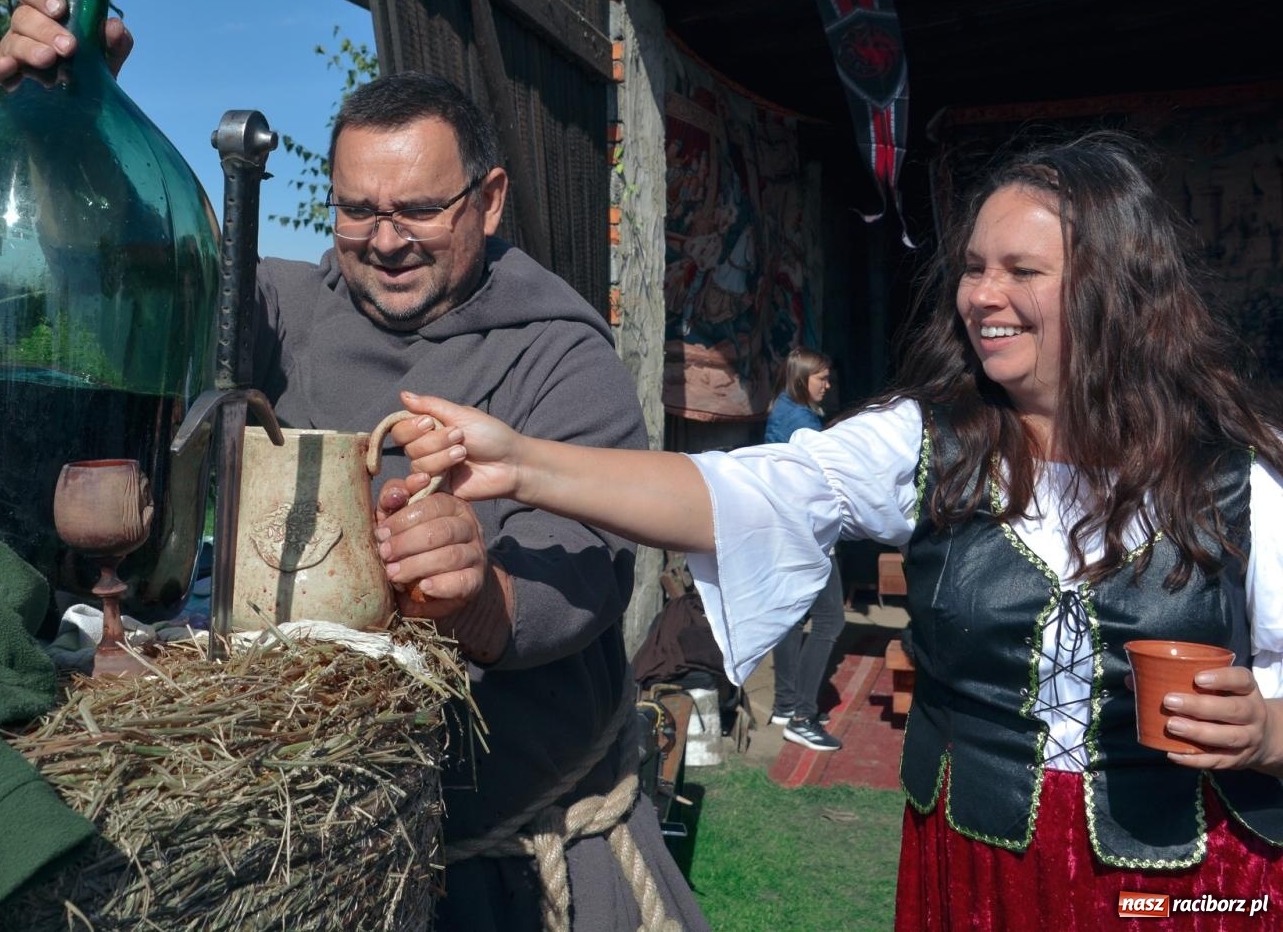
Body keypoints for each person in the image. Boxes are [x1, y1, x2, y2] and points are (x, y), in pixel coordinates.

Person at [390, 131, 1283, 929]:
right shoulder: (930, 441)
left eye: (1022, 270)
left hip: (1181, 888)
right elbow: (735, 493)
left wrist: (1266, 735)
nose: (983, 295)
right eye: (974, 267)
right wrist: (526, 464)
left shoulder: (1237, 477)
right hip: (974, 875)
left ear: (1115, 289)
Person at [0, 0, 709, 932]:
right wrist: (72, 122)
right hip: (312, 855)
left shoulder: (562, 355)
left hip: (514, 865)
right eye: (355, 210)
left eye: (417, 209)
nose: (383, 241)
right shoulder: (279, 312)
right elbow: (123, 266)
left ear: (489, 200)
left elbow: (589, 570)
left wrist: (483, 598)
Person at [763, 347, 846, 752]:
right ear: (801, 379)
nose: (827, 385)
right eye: (821, 379)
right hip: (806, 530)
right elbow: (815, 479)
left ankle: (785, 703)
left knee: (794, 617)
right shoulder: (801, 422)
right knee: (830, 619)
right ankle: (801, 714)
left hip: (787, 527)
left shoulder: (785, 409)